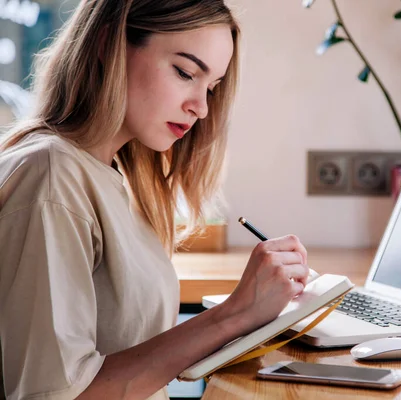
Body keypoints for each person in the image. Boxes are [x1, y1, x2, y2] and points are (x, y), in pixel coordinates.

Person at [0, 1, 311, 399]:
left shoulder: (112, 177)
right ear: (106, 43)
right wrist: (235, 313)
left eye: (211, 87)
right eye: (185, 73)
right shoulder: (52, 178)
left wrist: (252, 315)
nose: (200, 107)